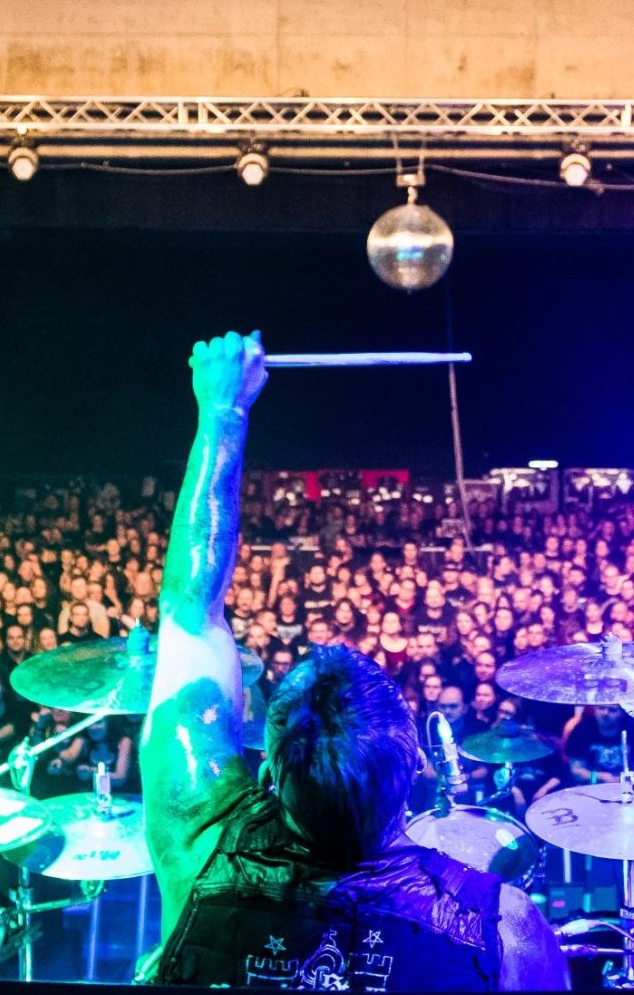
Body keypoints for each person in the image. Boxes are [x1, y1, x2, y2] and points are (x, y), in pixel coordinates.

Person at [141, 332, 567, 991]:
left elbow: (188, 611)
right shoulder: (502, 925)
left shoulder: (198, 850)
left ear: (270, 780)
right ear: (417, 771)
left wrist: (222, 411)